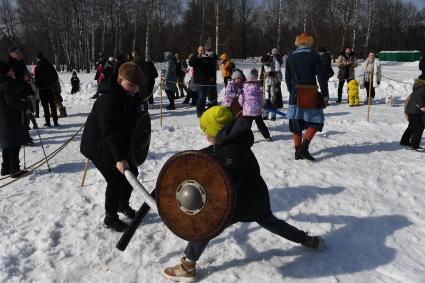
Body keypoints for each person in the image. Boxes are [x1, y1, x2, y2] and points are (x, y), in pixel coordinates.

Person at [162, 106, 324, 282]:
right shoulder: (235, 142)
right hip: (256, 199)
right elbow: (210, 154)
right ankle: (306, 239)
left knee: (205, 226)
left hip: (234, 204)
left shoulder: (229, 155)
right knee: (272, 222)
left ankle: (187, 267)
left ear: (216, 132)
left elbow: (225, 181)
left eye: (206, 131)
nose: (204, 135)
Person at [80, 62, 145, 232]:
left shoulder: (132, 95)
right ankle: (110, 217)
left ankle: (122, 205)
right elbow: (109, 130)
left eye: (137, 87)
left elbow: (137, 122)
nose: (134, 90)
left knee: (133, 173)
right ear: (119, 80)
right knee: (116, 179)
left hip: (118, 142)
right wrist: (119, 158)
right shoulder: (108, 99)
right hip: (98, 144)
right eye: (131, 85)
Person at [285, 32, 329, 161]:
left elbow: (288, 78)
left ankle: (298, 151)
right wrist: (325, 96)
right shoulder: (313, 55)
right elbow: (321, 77)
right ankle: (304, 148)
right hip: (310, 93)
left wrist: (292, 91)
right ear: (309, 41)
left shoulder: (291, 56)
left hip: (295, 92)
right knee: (316, 121)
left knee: (295, 121)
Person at [0, 61, 29, 177]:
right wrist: (25, 104)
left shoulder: (3, 83)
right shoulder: (6, 84)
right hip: (9, 118)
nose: (13, 72)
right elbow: (11, 103)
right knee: (13, 144)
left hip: (3, 118)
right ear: (6, 72)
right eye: (11, 70)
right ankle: (15, 169)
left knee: (6, 144)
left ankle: (5, 167)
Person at [7, 46, 35, 144]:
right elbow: (11, 79)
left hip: (25, 91)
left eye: (20, 52)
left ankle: (25, 136)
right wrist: (23, 79)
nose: (20, 54)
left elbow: (25, 74)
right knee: (20, 117)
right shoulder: (8, 64)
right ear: (11, 53)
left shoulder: (21, 62)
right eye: (17, 52)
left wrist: (29, 77)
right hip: (16, 94)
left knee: (27, 116)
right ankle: (23, 138)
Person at [239, 68, 272, 142]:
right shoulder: (258, 87)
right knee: (260, 124)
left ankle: (244, 137)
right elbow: (261, 98)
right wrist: (262, 104)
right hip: (257, 110)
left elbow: (241, 98)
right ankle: (267, 136)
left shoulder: (244, 87)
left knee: (246, 125)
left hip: (248, 110)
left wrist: (242, 105)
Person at [189, 46, 216, 117]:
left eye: (203, 50)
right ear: (198, 51)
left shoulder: (208, 58)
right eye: (201, 50)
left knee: (204, 96)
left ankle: (202, 110)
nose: (202, 52)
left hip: (207, 80)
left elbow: (212, 69)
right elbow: (191, 63)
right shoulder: (195, 58)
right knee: (201, 96)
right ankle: (199, 111)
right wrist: (197, 56)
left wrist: (212, 77)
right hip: (199, 81)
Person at [34, 52, 60, 127]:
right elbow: (55, 77)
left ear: (38, 58)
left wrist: (38, 85)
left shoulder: (37, 67)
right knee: (52, 104)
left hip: (42, 88)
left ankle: (48, 122)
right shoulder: (50, 65)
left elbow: (37, 79)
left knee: (45, 106)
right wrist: (51, 83)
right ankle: (55, 121)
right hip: (50, 87)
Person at [400, 75, 425, 151]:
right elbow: (419, 98)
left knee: (411, 126)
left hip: (410, 110)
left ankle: (404, 141)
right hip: (415, 111)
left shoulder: (418, 87)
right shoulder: (423, 88)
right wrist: (421, 106)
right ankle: (414, 145)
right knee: (419, 128)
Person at [261, 54, 283, 121]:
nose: (265, 65)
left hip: (274, 83)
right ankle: (265, 114)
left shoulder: (276, 63)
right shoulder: (264, 64)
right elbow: (262, 73)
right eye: (264, 64)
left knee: (273, 99)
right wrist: (261, 82)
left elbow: (279, 75)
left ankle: (273, 115)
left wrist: (270, 74)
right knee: (266, 99)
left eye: (266, 63)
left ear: (268, 60)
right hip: (266, 82)